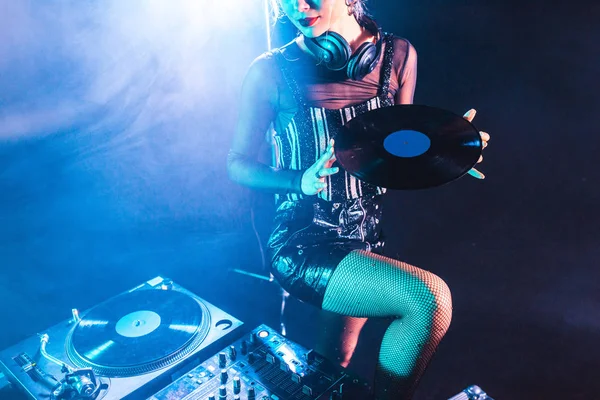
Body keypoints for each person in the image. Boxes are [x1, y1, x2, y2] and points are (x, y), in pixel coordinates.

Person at [227, 0, 489, 398]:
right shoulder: (269, 71)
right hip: (303, 240)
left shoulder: (398, 56)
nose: (298, 6)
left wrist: (451, 150)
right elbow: (237, 163)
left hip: (362, 234)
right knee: (427, 300)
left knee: (334, 364)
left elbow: (400, 155)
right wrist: (301, 181)